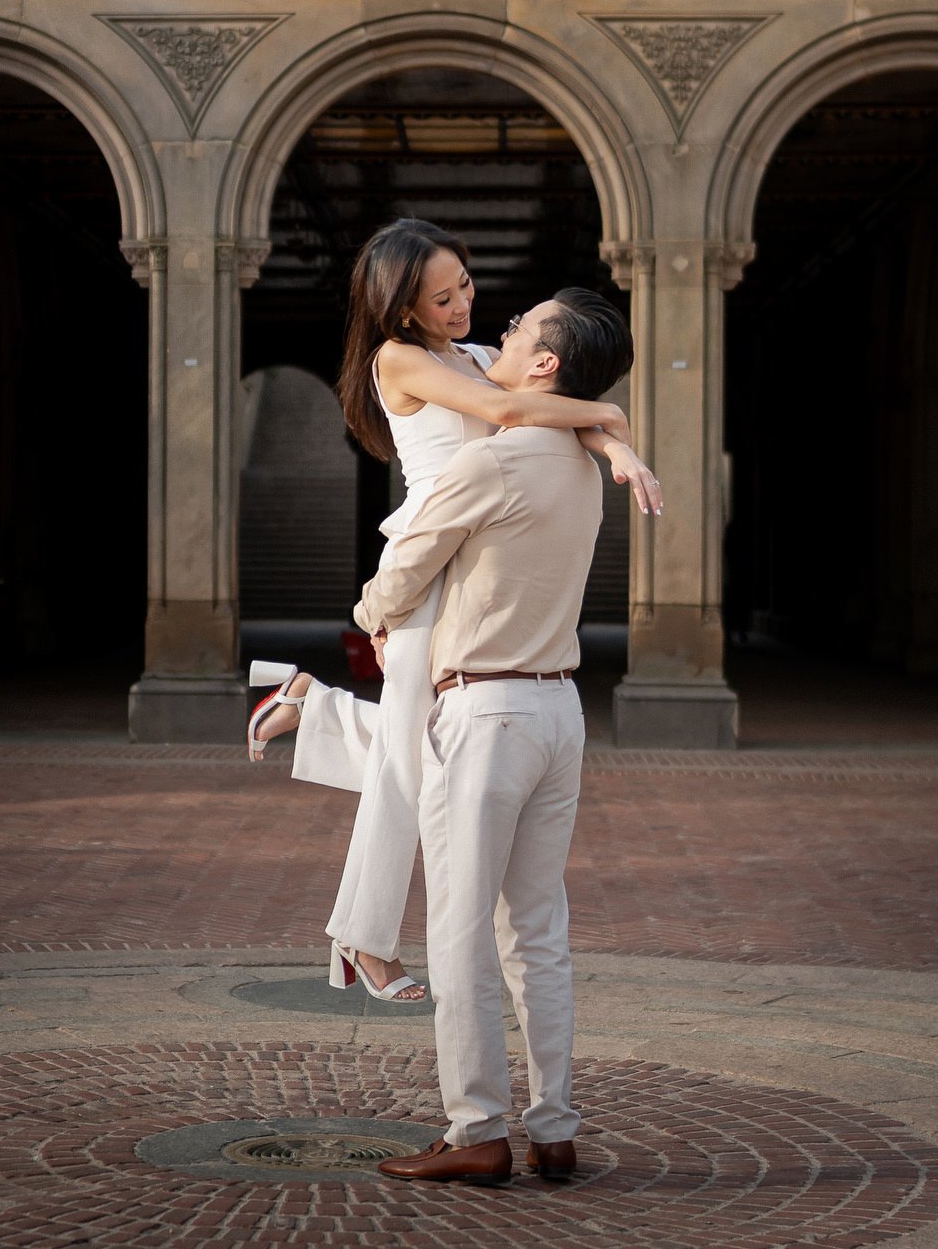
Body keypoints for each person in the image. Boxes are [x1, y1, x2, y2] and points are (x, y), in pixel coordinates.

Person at [246, 221, 660, 1005]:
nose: (464, 304)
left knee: (421, 754)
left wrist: (618, 447)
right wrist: (611, 431)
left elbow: (557, 400)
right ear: (402, 306)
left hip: (475, 564)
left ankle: (313, 705)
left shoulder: (471, 354)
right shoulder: (398, 359)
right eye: (443, 297)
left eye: (466, 284)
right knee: (411, 761)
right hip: (428, 560)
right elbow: (515, 415)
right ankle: (366, 941)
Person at [349, 288, 634, 1185]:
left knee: (463, 933)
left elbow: (403, 570)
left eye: (519, 330)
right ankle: (554, 1126)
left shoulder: (497, 463)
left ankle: (475, 1129)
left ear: (545, 365)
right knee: (537, 929)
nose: (499, 331)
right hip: (559, 710)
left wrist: (371, 616)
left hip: (485, 714)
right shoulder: (581, 466)